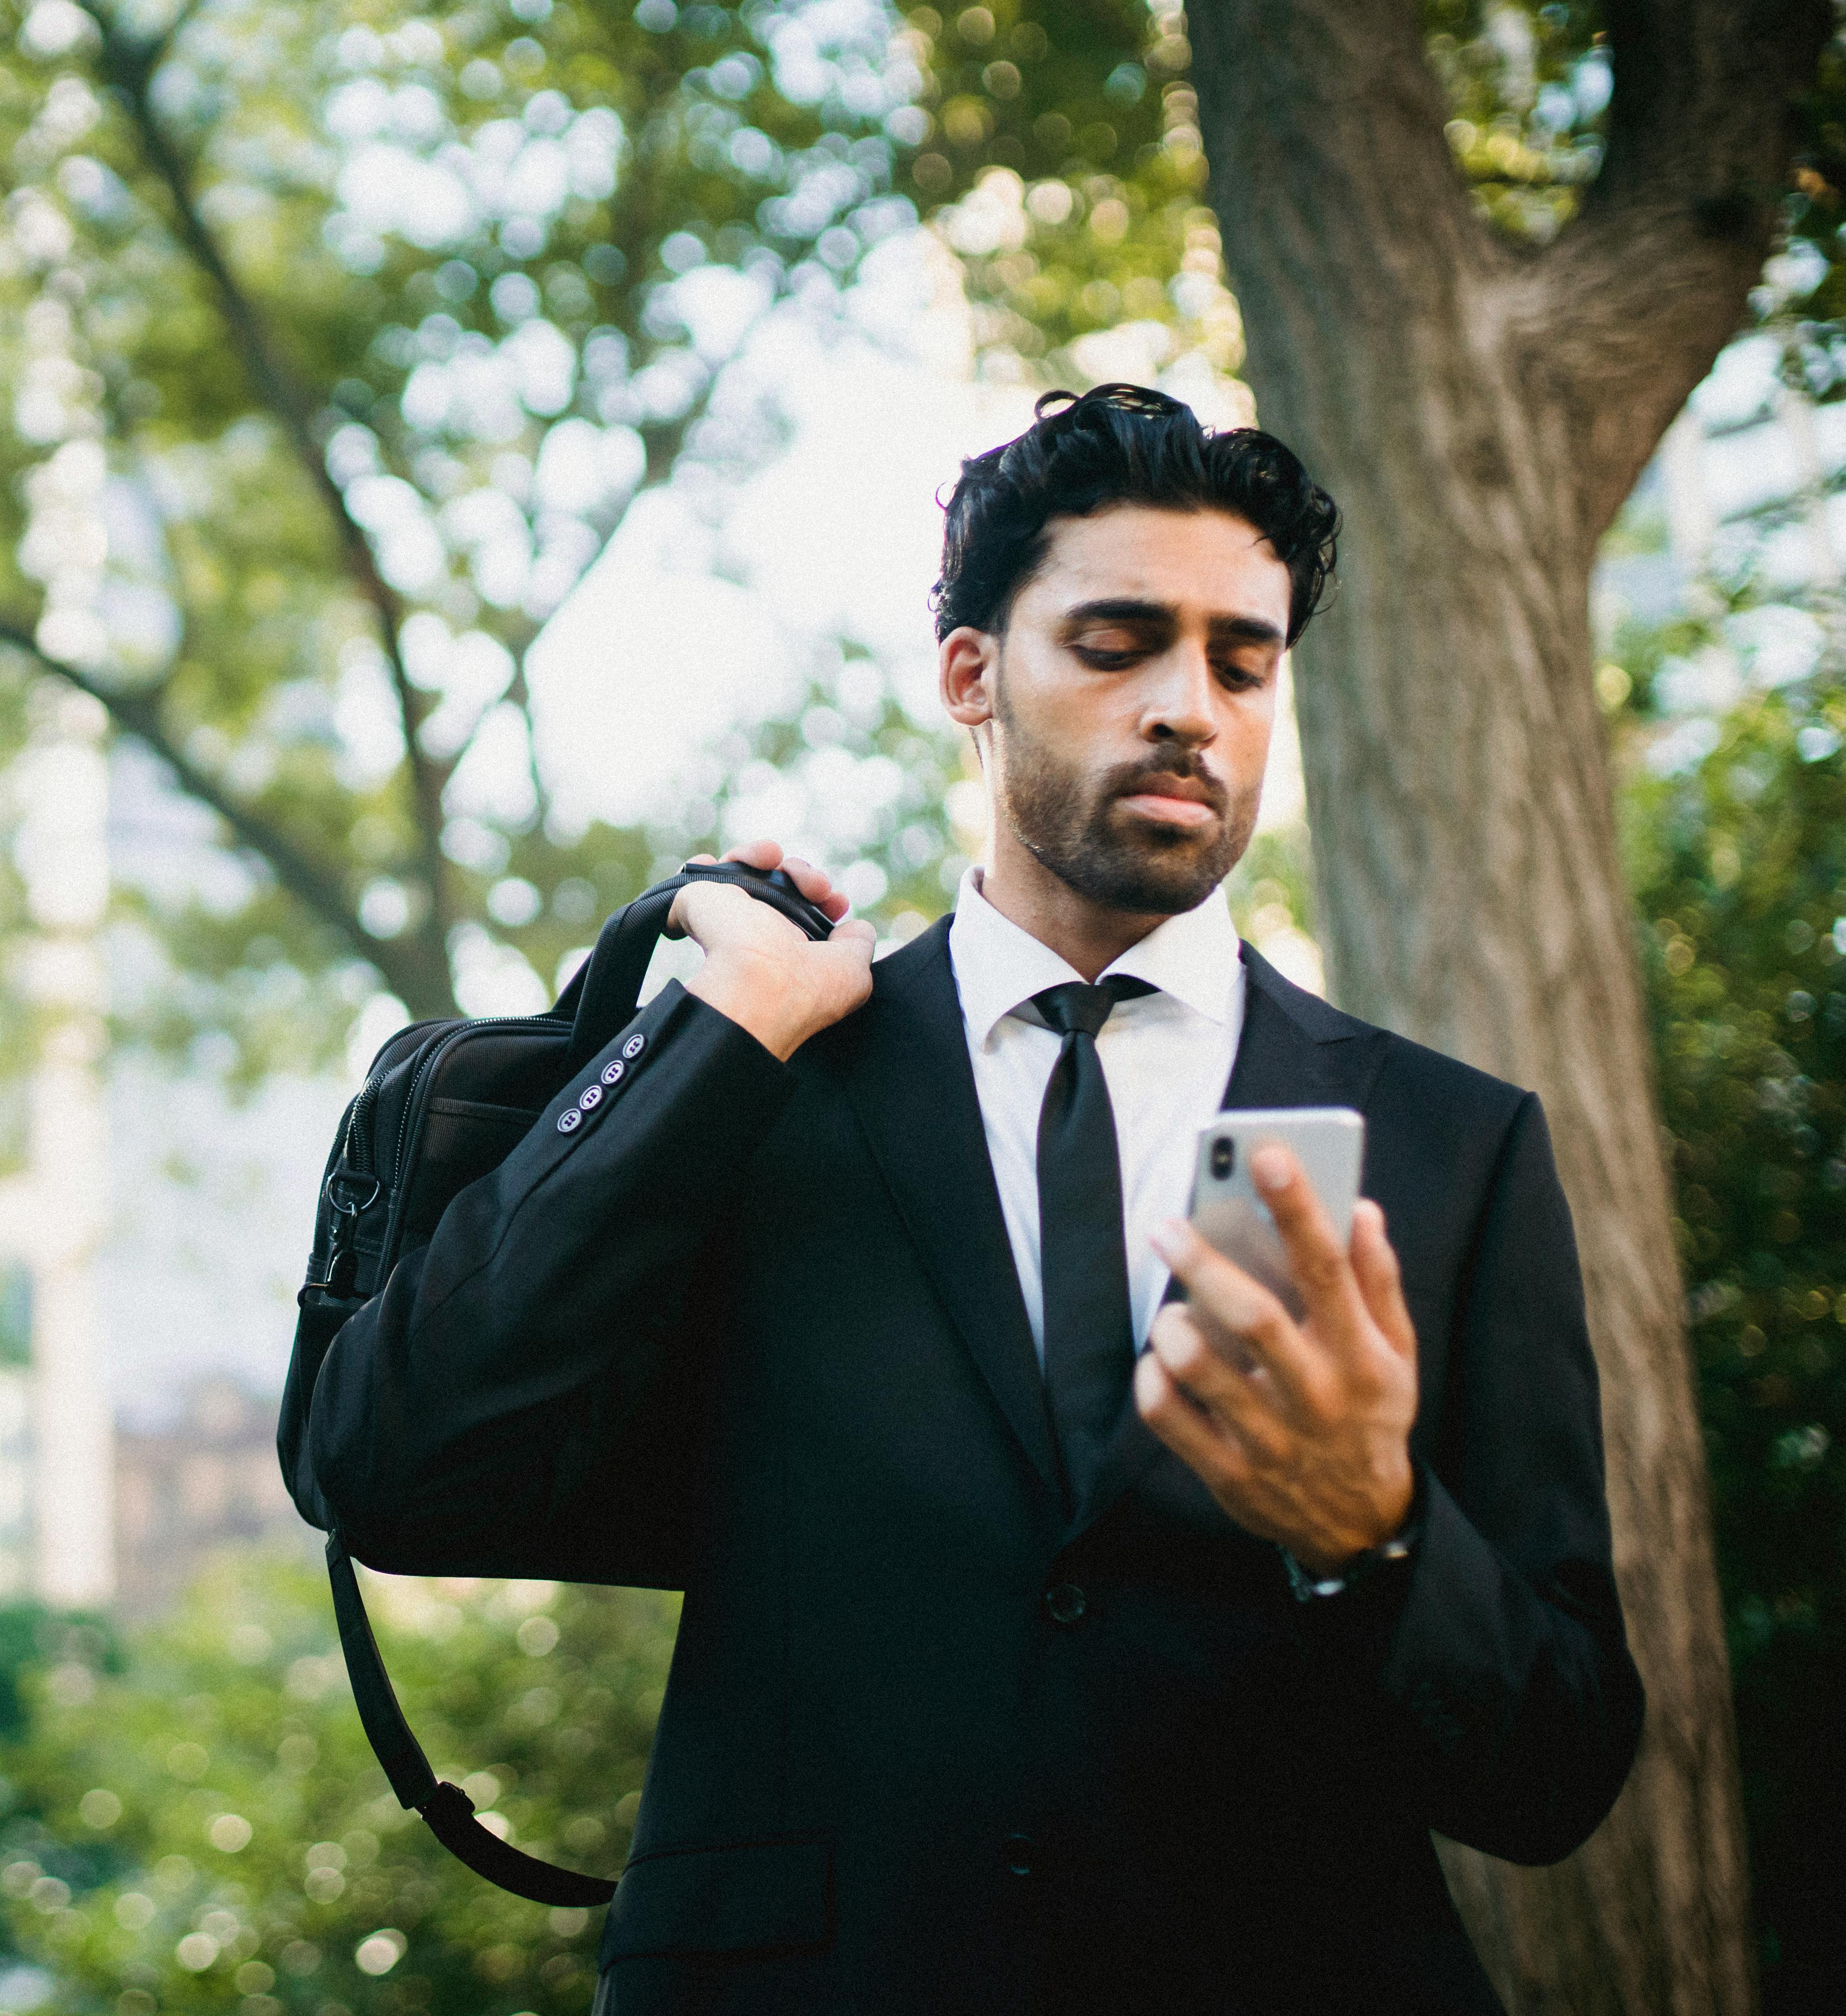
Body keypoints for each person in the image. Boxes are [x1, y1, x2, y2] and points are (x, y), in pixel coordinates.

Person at [286, 385, 1642, 2013]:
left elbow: (1557, 1774)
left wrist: (1378, 1533)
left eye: (1242, 663)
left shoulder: (1451, 1145)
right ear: (970, 675)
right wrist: (712, 1042)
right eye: (1118, 644)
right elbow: (389, 1469)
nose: (1189, 709)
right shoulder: (766, 1077)